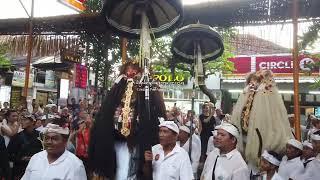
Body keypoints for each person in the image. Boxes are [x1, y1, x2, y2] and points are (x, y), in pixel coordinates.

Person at [89, 61, 166, 179]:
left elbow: (156, 110)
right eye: (128, 70)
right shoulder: (118, 87)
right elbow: (106, 111)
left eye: (135, 70)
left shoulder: (146, 88)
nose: (131, 73)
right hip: (114, 141)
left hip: (138, 142)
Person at [231, 70, 293, 172]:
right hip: (245, 151)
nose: (253, 87)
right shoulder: (246, 98)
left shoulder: (267, 97)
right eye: (251, 84)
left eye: (257, 83)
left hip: (263, 154)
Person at [21, 123, 87, 180]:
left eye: (54, 139)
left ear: (65, 142)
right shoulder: (36, 158)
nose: (49, 142)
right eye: (46, 138)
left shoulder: (75, 165)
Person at [7, 113, 43, 179]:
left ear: (32, 122)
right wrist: (21, 159)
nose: (22, 122)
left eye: (25, 120)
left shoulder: (40, 135)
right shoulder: (16, 137)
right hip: (20, 170)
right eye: (21, 120)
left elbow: (45, 151)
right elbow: (9, 155)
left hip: (37, 169)